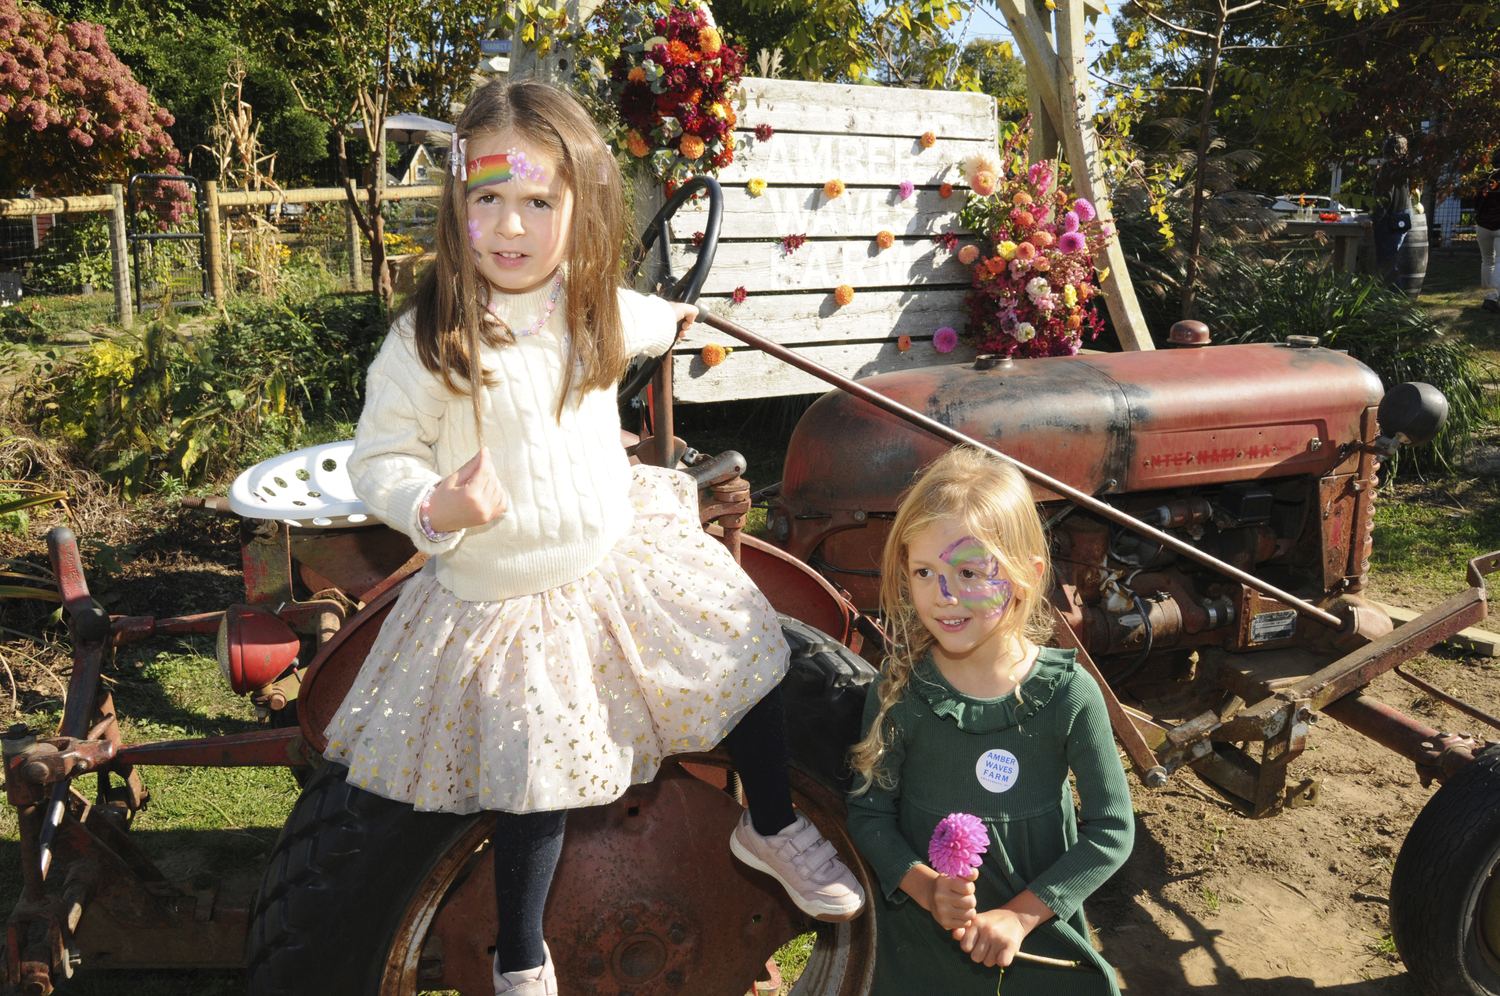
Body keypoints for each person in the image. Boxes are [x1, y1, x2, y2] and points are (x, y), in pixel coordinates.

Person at [321, 78, 863, 996]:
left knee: (749, 658)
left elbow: (637, 317)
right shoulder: (429, 341)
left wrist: (680, 318)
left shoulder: (584, 304)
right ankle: (523, 956)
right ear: (456, 206)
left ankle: (768, 820)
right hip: (510, 599)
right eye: (487, 198)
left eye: (539, 201)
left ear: (578, 208)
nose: (511, 224)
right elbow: (378, 459)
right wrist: (431, 504)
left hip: (616, 556)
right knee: (537, 785)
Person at [845, 447, 1134, 996]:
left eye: (970, 571)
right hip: (918, 954)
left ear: (1027, 576)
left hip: (1033, 947)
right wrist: (928, 889)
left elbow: (1112, 829)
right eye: (925, 571)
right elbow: (868, 814)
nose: (944, 595)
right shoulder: (900, 691)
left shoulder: (1069, 695)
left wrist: (1021, 917)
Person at [1477, 167, 1500, 314]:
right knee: (1499, 261)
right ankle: (1491, 298)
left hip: (1482, 225)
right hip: (1499, 225)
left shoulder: (1484, 178)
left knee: (1487, 261)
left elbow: (1476, 201)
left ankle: (1486, 295)